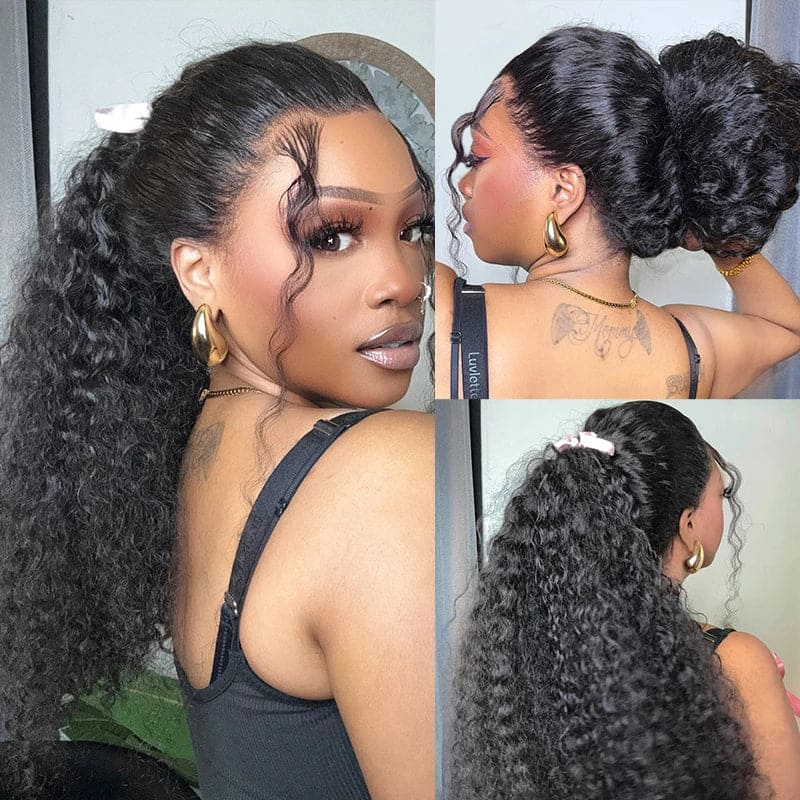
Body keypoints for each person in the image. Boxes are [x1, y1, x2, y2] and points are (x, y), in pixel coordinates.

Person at [0, 42, 434, 799]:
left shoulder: (200, 438)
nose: (402, 280)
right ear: (200, 272)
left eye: (414, 229)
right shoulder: (386, 475)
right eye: (330, 235)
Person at [450, 401, 800, 799]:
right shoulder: (738, 662)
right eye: (721, 494)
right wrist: (755, 684)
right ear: (688, 526)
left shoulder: (525, 664)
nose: (725, 507)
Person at [435, 27, 800, 399]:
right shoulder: (696, 351)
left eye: (477, 158)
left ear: (563, 190)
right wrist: (712, 229)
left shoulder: (442, 310)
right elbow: (787, 328)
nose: (465, 184)